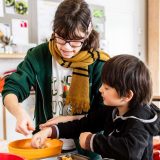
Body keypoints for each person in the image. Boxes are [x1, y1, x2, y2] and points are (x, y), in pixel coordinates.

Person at [2, 0, 109, 158]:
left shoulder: (99, 64)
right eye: (61, 38)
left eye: (74, 41)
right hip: (44, 146)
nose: (66, 47)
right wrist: (19, 113)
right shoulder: (39, 55)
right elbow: (11, 88)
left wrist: (66, 119)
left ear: (88, 31)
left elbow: (104, 114)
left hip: (87, 149)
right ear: (54, 30)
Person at [31, 54, 160, 160]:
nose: (100, 89)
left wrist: (91, 141)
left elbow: (130, 151)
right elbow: (84, 124)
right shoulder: (113, 110)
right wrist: (51, 131)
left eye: (107, 87)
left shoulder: (140, 120)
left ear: (126, 95)